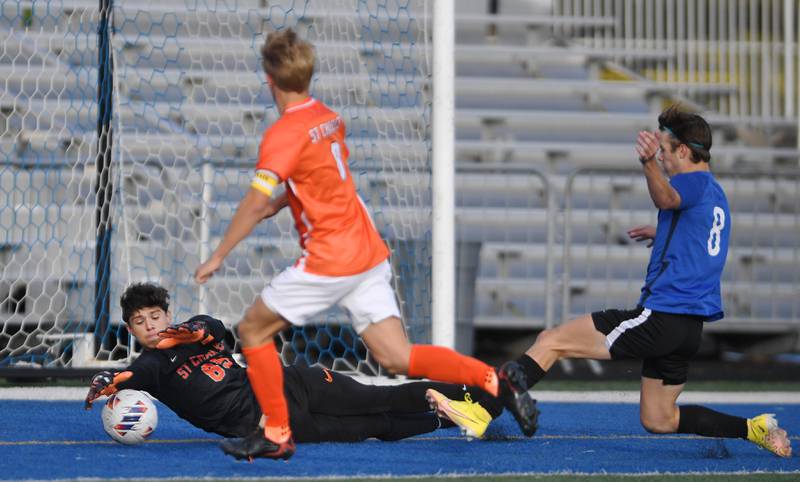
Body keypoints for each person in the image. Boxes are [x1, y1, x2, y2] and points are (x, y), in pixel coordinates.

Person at [192, 28, 536, 460]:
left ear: (268, 78)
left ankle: (277, 432)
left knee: (252, 330)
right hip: (366, 250)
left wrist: (219, 255)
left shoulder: (283, 133)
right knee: (396, 356)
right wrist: (283, 204)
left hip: (331, 257)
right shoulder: (328, 117)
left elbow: (252, 201)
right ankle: (493, 379)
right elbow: (323, 177)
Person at [498, 106, 792, 458]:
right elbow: (702, 237)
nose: (663, 161)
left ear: (683, 150)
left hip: (662, 318)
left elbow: (666, 197)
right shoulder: (715, 194)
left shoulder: (691, 181)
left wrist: (646, 164)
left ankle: (486, 406)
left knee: (552, 340)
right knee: (659, 419)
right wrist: (666, 231)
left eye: (665, 152)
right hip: (687, 330)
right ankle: (753, 429)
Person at [84, 283, 503, 447]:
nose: (150, 325)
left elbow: (215, 330)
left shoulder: (198, 330)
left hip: (293, 384)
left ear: (165, 312)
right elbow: (130, 375)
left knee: (378, 396)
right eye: (139, 322)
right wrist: (108, 380)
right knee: (375, 426)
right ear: (131, 330)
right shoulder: (151, 366)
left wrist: (190, 332)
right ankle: (454, 419)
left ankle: (479, 395)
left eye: (154, 316)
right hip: (270, 425)